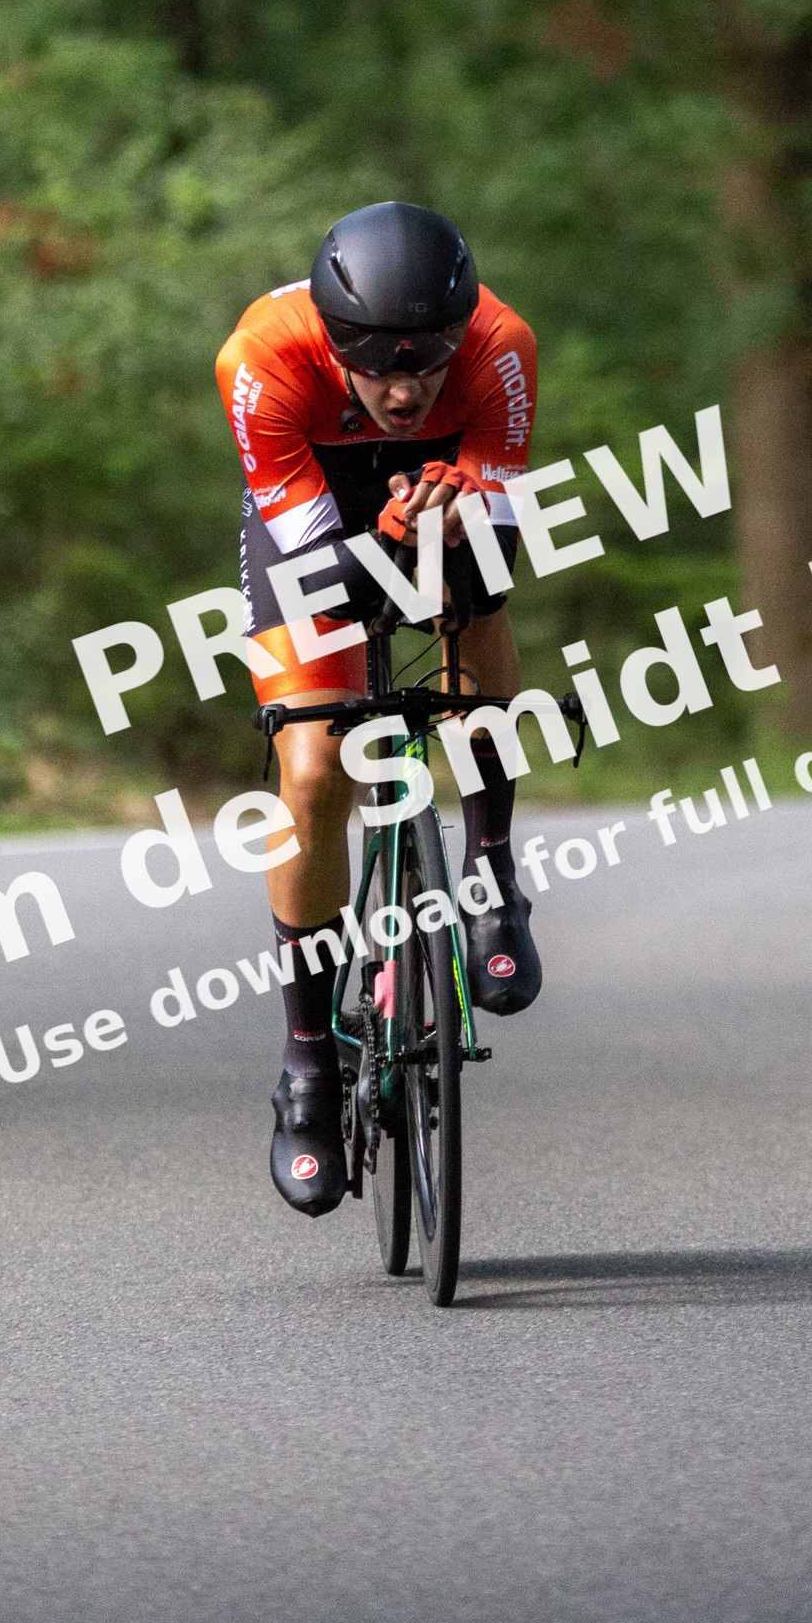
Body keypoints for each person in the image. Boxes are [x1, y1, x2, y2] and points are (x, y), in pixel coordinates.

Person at [215, 201, 541, 1219]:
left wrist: (442, 531)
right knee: (313, 773)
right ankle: (308, 1063)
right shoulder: (260, 359)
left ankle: (491, 875)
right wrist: (388, 540)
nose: (405, 390)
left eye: (427, 365)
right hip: (314, 500)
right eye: (381, 369)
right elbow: (316, 574)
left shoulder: (501, 351)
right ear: (333, 340)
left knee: (476, 612)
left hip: (444, 491)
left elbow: (496, 542)